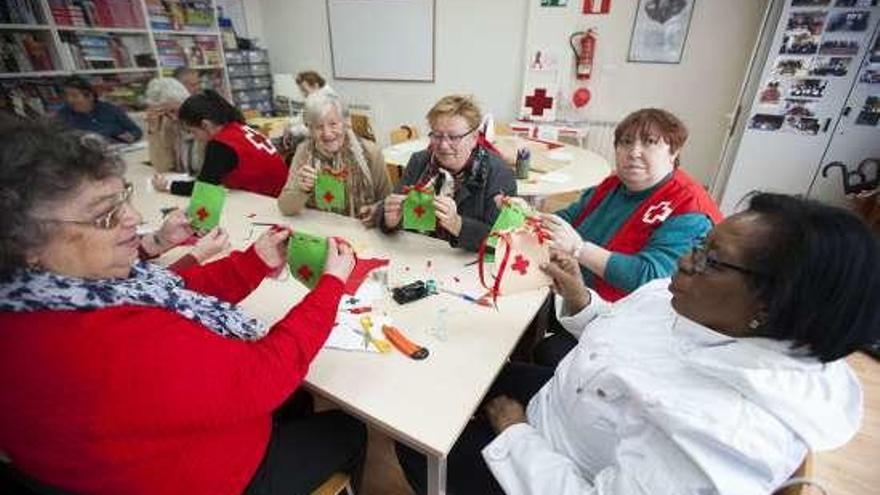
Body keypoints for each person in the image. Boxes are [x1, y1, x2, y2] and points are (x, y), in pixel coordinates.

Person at [396, 192, 880, 495]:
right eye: (701, 243)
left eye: (712, 259)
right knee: (454, 382)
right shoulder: (697, 305)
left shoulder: (729, 433)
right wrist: (580, 297)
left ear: (773, 306)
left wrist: (515, 433)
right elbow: (625, 333)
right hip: (560, 406)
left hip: (544, 466)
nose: (686, 261)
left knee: (417, 441)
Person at [0, 119, 366, 495]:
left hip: (134, 457)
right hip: (204, 475)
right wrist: (331, 286)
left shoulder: (42, 299)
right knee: (348, 428)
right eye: (105, 214)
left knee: (299, 399)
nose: (135, 219)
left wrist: (253, 262)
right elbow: (264, 376)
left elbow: (173, 293)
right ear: (26, 244)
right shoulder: (110, 343)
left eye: (124, 198)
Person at [530, 108, 722, 365]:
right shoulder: (614, 184)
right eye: (626, 142)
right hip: (577, 296)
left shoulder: (689, 208)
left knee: (550, 351)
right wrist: (530, 218)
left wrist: (578, 248)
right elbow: (572, 215)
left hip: (627, 322)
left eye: (649, 143)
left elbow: (649, 278)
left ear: (674, 152)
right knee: (518, 310)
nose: (634, 152)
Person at [376, 95, 516, 251]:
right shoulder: (419, 162)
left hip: (466, 266)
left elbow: (501, 242)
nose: (443, 145)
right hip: (415, 254)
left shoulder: (499, 174)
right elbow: (387, 212)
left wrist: (458, 224)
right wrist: (389, 221)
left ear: (474, 138)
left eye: (454, 137)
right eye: (437, 135)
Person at [277, 91, 392, 225]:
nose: (327, 133)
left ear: (345, 122)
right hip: (321, 231)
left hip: (362, 231)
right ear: (310, 129)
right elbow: (285, 208)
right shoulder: (304, 152)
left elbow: (387, 202)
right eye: (319, 127)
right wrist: (301, 189)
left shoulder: (370, 152)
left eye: (333, 124)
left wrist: (375, 211)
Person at [151, 90, 288, 197]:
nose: (195, 137)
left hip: (267, 201)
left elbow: (204, 188)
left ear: (206, 125)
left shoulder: (220, 145)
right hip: (279, 193)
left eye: (193, 131)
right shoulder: (238, 126)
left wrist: (168, 185)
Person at [144, 69, 203, 174]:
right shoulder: (170, 124)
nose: (174, 118)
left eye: (174, 111)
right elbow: (162, 167)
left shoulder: (205, 125)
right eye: (166, 113)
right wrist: (154, 131)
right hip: (187, 183)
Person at [56, 76, 143, 144]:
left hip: (121, 151)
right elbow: (61, 142)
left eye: (74, 96)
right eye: (66, 96)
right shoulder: (63, 115)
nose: (70, 100)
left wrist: (131, 136)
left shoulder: (109, 109)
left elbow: (136, 130)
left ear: (90, 96)